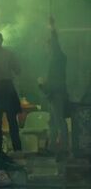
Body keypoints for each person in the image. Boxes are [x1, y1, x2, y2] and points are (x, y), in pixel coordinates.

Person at [40, 16, 69, 156]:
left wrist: (52, 27)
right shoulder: (52, 61)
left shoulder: (57, 57)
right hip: (52, 93)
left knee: (58, 121)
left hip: (57, 93)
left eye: (47, 46)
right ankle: (52, 148)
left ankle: (64, 148)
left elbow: (56, 42)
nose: (45, 48)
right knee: (53, 122)